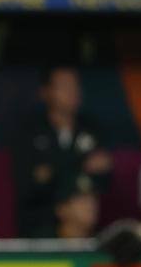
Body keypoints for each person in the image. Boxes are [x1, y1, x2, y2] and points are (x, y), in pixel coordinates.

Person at [12, 66, 112, 237]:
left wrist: (53, 170)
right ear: (45, 92)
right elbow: (29, 187)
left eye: (76, 86)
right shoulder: (29, 132)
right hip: (38, 230)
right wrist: (80, 162)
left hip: (85, 227)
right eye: (65, 86)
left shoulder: (92, 128)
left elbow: (104, 178)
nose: (73, 92)